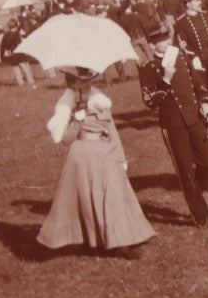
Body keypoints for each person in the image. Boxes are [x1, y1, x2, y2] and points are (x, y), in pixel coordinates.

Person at [37, 71, 155, 253]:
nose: (85, 86)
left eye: (87, 82)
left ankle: (120, 239)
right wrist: (77, 120)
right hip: (83, 157)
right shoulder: (67, 105)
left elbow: (112, 131)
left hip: (106, 153)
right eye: (80, 83)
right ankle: (99, 240)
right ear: (72, 84)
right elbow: (65, 139)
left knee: (114, 195)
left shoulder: (101, 101)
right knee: (89, 200)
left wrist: (121, 157)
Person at [139, 41, 208, 227]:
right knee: (185, 171)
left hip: (195, 119)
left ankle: (193, 194)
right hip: (172, 125)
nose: (166, 42)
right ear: (151, 44)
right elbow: (150, 102)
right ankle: (200, 215)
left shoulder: (181, 55)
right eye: (161, 39)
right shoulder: (147, 68)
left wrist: (207, 103)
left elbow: (198, 85)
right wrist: (165, 80)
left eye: (167, 37)